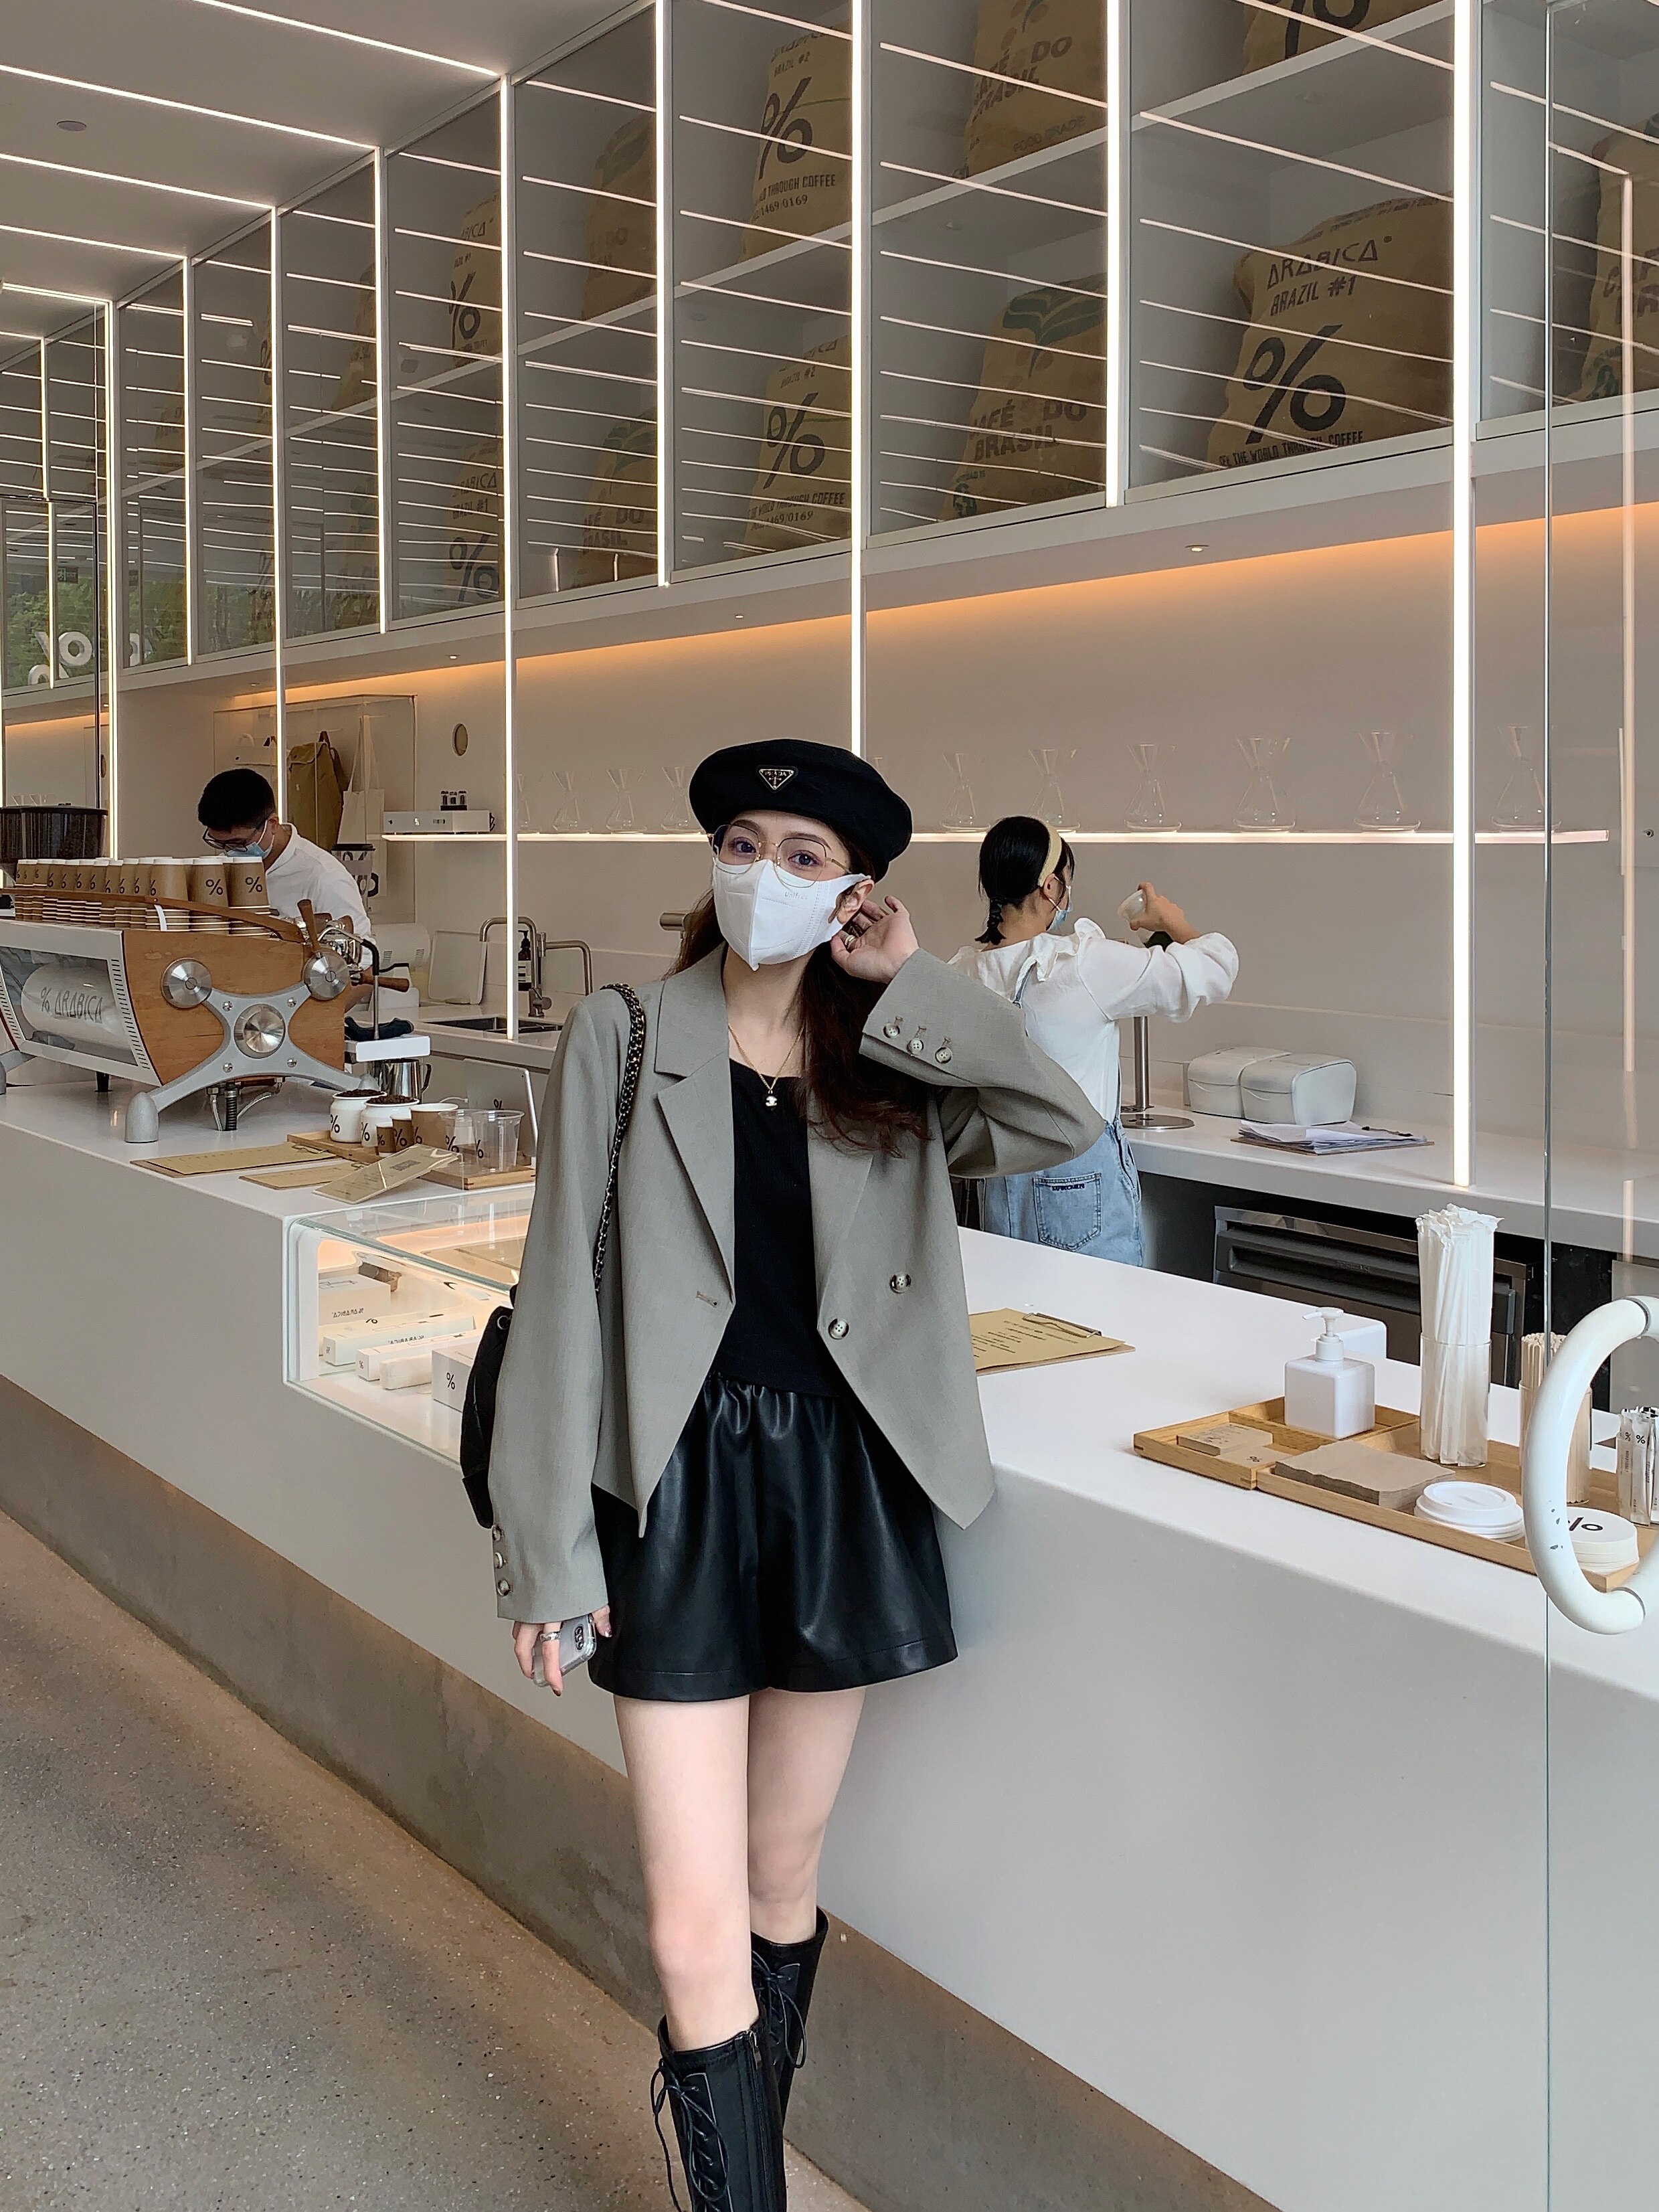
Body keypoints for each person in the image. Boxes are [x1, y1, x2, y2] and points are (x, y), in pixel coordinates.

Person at [487, 740, 1101, 2211]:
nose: (763, 872)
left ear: (855, 891)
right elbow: (559, 1292)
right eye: (743, 844)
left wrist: (911, 979)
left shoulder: (889, 1049)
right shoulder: (626, 1031)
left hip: (841, 1486)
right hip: (675, 1490)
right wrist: (547, 1549)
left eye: (805, 855)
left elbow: (1058, 1120)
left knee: (778, 1882)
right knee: (692, 1926)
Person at [951, 816, 1238, 1268]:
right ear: (1050, 887)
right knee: (1097, 1312)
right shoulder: (1080, 964)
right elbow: (1215, 969)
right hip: (1078, 1189)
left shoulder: (961, 974)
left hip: (993, 1191)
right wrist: (1172, 921)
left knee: (1013, 1309)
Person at [196, 768, 369, 938]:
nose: (230, 851)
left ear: (272, 824)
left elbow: (363, 953)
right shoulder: (221, 869)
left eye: (239, 843)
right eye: (220, 843)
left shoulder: (323, 877)